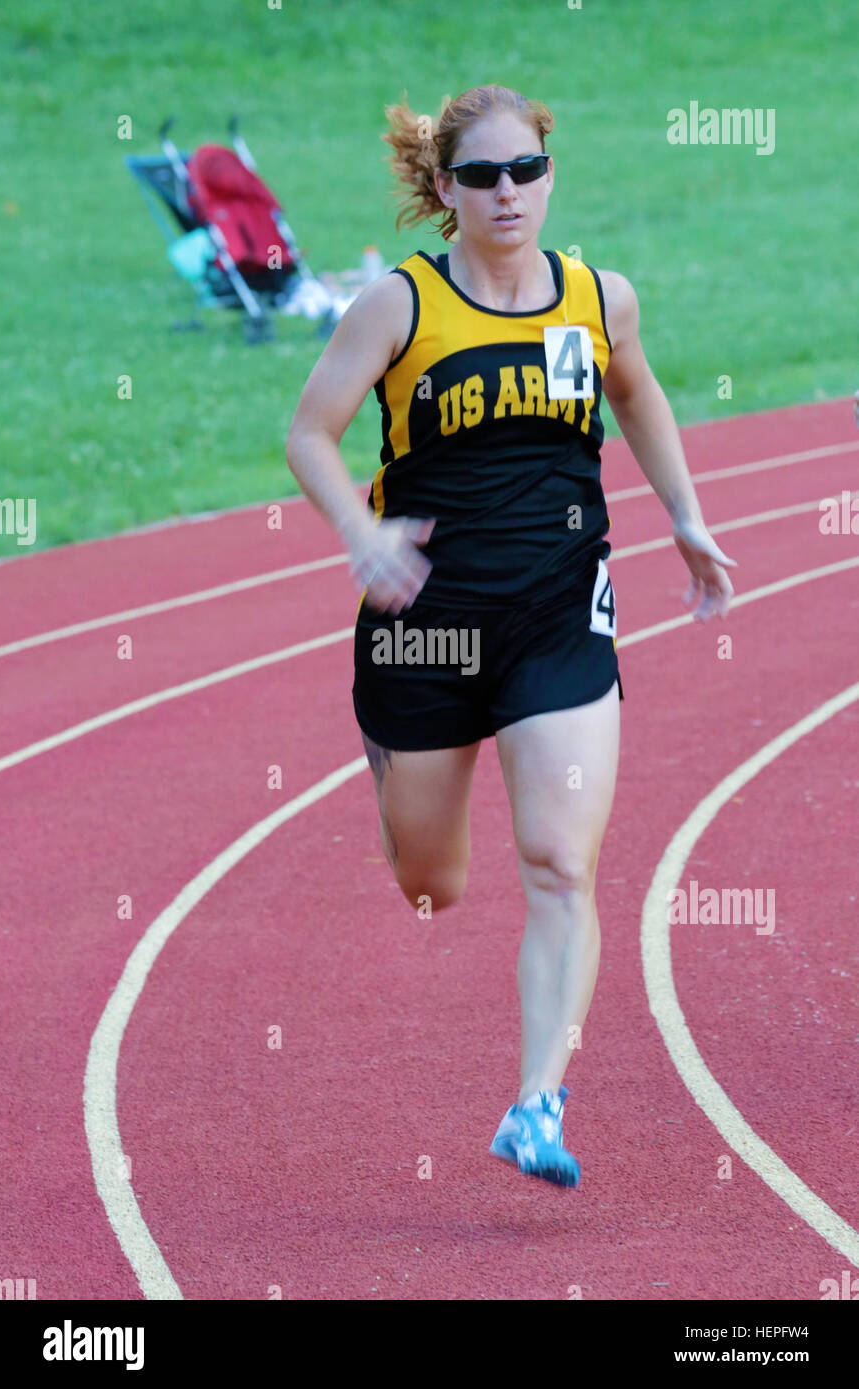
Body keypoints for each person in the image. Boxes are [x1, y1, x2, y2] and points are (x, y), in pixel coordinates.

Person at [285, 84, 737, 1187]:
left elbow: (640, 396)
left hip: (555, 616)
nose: (505, 193)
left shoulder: (595, 298)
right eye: (480, 175)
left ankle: (537, 1102)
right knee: (432, 884)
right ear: (445, 188)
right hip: (425, 625)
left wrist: (683, 517)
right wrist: (359, 532)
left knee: (558, 863)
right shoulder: (398, 305)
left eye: (523, 172)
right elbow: (309, 432)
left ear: (548, 175)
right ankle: (391, 763)